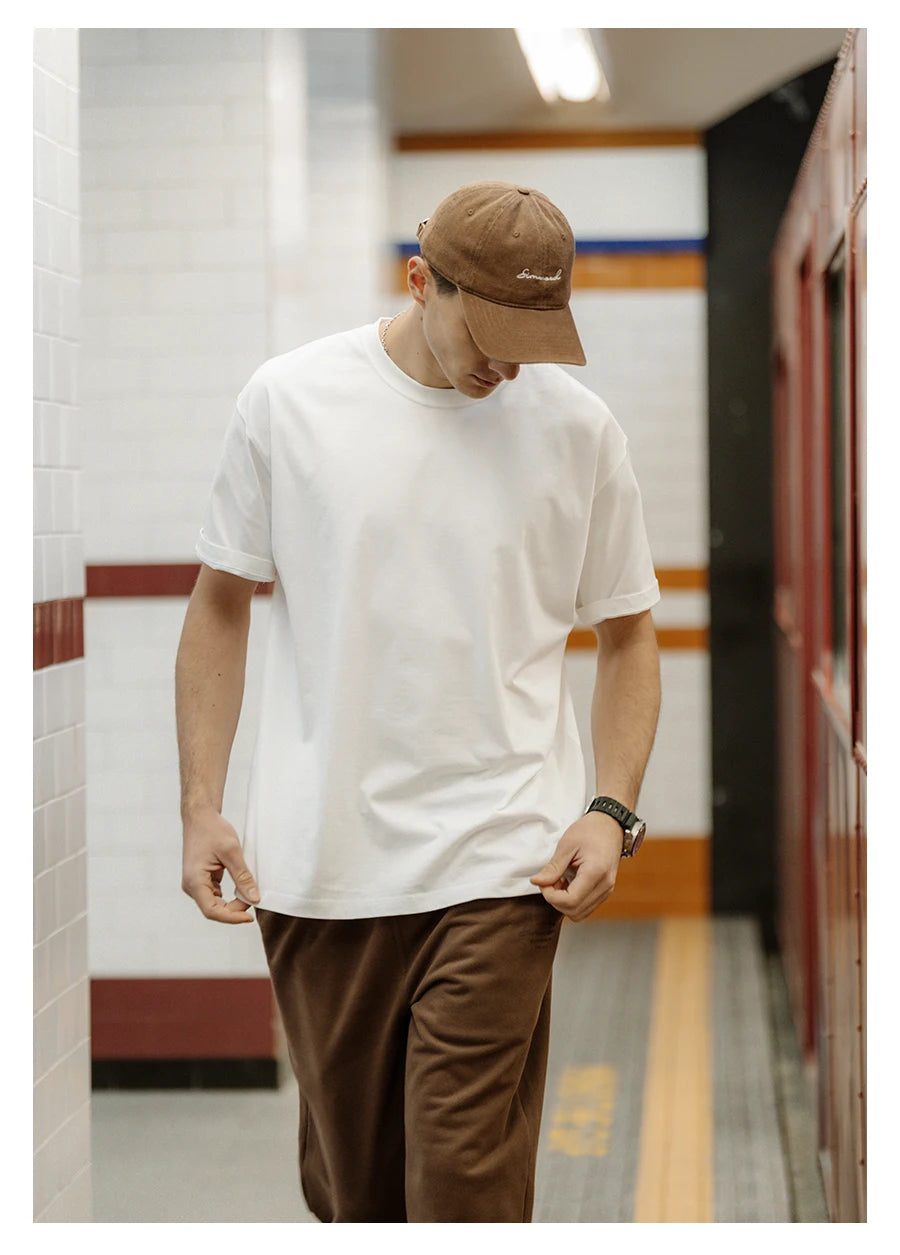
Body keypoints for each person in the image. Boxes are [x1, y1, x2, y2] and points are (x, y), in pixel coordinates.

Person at [175, 180, 662, 1223]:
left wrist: (611, 807)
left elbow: (627, 631)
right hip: (324, 870)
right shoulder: (289, 401)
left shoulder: (579, 430)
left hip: (504, 860)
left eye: (533, 335)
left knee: (461, 1183)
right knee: (358, 1196)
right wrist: (200, 804)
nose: (507, 362)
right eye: (486, 329)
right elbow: (220, 608)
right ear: (417, 280)